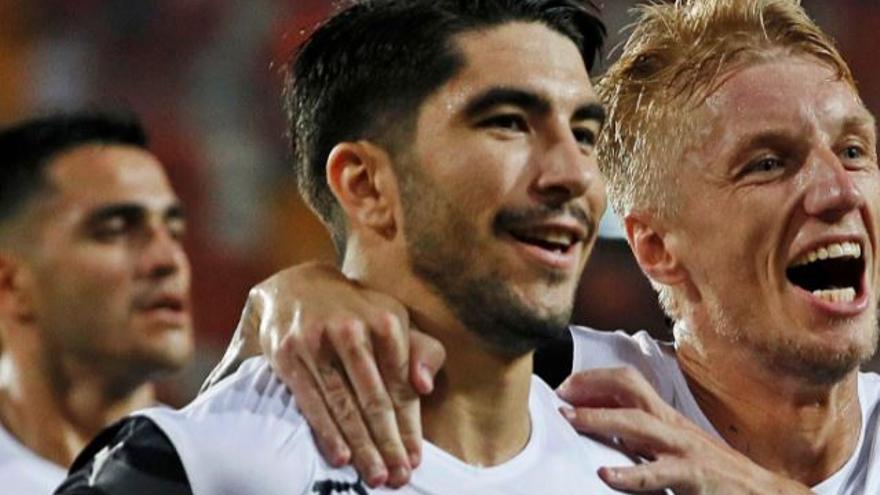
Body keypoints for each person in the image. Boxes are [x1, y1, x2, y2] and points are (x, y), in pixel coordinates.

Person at [198, 0, 880, 493]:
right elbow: (250, 440)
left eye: (854, 149)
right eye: (766, 163)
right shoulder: (580, 397)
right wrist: (276, 309)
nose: (837, 190)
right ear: (656, 248)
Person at [55, 1, 659, 493]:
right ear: (366, 185)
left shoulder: (647, 459)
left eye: (584, 134)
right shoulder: (205, 466)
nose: (575, 174)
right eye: (507, 122)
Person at [0, 112, 194, 493]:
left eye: (174, 231)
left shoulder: (229, 467)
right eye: (114, 231)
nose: (168, 260)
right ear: (11, 284)